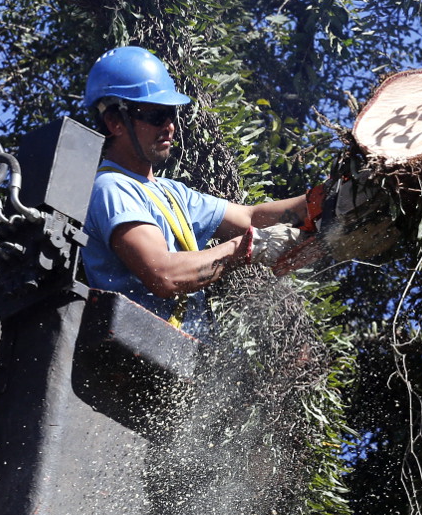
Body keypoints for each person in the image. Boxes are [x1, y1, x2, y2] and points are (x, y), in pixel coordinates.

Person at [80, 46, 322, 330]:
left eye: (171, 113)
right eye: (156, 115)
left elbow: (251, 218)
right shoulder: (111, 188)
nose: (169, 126)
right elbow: (163, 274)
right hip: (136, 354)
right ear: (115, 122)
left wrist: (325, 199)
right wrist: (245, 248)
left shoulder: (171, 192)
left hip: (178, 356)